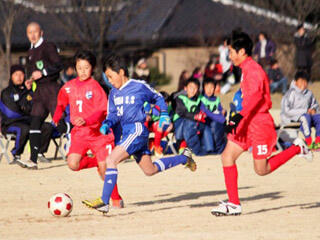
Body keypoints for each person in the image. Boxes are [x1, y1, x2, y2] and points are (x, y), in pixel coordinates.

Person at [210, 31, 313, 216]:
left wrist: (237, 117)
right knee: (227, 157)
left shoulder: (254, 70)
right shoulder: (244, 69)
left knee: (261, 169)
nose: (230, 55)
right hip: (246, 121)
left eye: (232, 51)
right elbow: (246, 97)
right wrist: (237, 115)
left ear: (242, 52)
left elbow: (256, 97)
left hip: (259, 123)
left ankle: (297, 148)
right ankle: (234, 204)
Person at [82, 54, 196, 214]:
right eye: (107, 77)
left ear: (121, 72)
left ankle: (104, 201)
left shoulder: (138, 86)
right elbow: (113, 113)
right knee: (150, 170)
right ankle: (184, 157)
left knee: (110, 160)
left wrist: (163, 113)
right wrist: (108, 123)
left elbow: (157, 97)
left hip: (137, 129)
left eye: (111, 76)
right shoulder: (113, 93)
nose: (109, 80)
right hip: (128, 133)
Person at [52, 50, 124, 208]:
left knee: (106, 170)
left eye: (86, 67)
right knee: (73, 164)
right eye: (80, 68)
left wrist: (87, 120)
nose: (83, 71)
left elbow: (101, 111)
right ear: (75, 68)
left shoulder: (96, 87)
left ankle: (116, 199)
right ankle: (98, 163)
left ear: (92, 68)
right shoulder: (68, 87)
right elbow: (61, 103)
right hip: (80, 135)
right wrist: (56, 116)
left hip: (99, 135)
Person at [20, 22, 63, 169]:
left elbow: (58, 65)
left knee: (60, 123)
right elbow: (35, 73)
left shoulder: (48, 46)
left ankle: (88, 143)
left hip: (51, 90)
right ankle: (33, 160)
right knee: (35, 124)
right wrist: (30, 80)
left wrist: (43, 73)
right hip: (39, 92)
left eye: (35, 32)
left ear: (41, 32)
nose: (32, 35)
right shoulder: (30, 51)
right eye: (29, 32)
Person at [0, 65, 53, 167]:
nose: (19, 77)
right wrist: (25, 110)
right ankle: (16, 154)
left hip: (27, 121)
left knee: (47, 127)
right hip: (9, 124)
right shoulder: (6, 93)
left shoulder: (28, 91)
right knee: (24, 128)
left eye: (21, 74)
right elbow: (12, 113)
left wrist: (28, 95)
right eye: (16, 74)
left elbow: (36, 107)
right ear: (11, 77)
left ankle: (39, 152)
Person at [281, 71, 320, 150]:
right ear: (295, 82)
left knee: (318, 117)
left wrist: (314, 110)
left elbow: (315, 104)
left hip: (307, 116)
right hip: (291, 117)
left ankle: (318, 142)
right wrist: (304, 111)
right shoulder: (290, 93)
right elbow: (287, 111)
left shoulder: (309, 93)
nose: (303, 84)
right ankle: (308, 142)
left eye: (305, 82)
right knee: (305, 117)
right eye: (301, 81)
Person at [173, 77, 211, 155]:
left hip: (193, 122)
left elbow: (205, 108)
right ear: (185, 88)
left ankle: (207, 147)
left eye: (195, 88)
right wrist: (195, 116)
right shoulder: (180, 98)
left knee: (205, 123)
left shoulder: (199, 99)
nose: (193, 90)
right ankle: (184, 146)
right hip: (180, 121)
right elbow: (181, 112)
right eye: (191, 87)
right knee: (189, 123)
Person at [200, 78, 227, 154]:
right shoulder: (202, 99)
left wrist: (223, 112)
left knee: (219, 127)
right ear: (203, 88)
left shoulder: (216, 99)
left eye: (212, 87)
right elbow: (205, 111)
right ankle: (213, 148)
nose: (209, 90)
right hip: (207, 121)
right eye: (207, 87)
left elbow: (220, 109)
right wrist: (220, 118)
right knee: (214, 125)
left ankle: (220, 148)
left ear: (215, 88)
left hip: (216, 121)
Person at [144, 91, 174, 156]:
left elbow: (170, 117)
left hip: (162, 126)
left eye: (167, 103)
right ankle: (157, 146)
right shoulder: (153, 108)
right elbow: (147, 118)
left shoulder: (169, 109)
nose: (165, 105)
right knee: (160, 124)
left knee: (170, 125)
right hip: (151, 125)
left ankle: (154, 141)